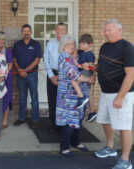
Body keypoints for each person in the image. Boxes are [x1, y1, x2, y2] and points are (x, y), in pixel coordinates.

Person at [94, 19, 134, 169]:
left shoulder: (127, 48)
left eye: (109, 30)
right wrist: (91, 67)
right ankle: (110, 148)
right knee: (105, 121)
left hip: (121, 94)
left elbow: (131, 75)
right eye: (105, 30)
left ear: (119, 30)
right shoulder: (104, 46)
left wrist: (120, 97)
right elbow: (101, 65)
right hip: (105, 93)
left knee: (124, 127)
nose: (106, 33)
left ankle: (125, 161)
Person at [56, 35, 95, 157]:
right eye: (69, 44)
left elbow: (84, 69)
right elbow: (74, 75)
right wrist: (88, 80)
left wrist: (91, 74)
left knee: (78, 119)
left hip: (78, 94)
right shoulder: (64, 58)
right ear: (63, 46)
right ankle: (64, 147)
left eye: (73, 44)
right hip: (67, 95)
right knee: (69, 121)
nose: (72, 46)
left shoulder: (73, 57)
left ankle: (76, 142)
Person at [12, 24, 41, 129]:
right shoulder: (17, 45)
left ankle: (35, 119)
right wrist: (19, 69)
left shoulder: (36, 44)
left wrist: (26, 69)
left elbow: (37, 59)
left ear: (31, 32)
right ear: (21, 33)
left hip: (32, 74)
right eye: (24, 31)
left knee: (34, 97)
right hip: (20, 75)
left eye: (28, 31)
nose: (26, 33)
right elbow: (14, 59)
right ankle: (21, 118)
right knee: (22, 98)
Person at [43, 22, 67, 133]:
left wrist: (62, 74)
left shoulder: (69, 43)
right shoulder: (50, 43)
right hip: (52, 74)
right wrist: (52, 76)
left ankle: (62, 124)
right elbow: (46, 60)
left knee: (63, 101)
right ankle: (54, 123)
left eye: (62, 29)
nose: (60, 31)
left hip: (65, 75)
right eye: (58, 29)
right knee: (52, 100)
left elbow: (72, 60)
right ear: (55, 30)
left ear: (65, 31)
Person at [0, 31, 13, 129]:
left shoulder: (8, 51)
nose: (1, 41)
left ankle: (5, 120)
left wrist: (4, 74)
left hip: (6, 79)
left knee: (6, 98)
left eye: (3, 39)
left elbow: (10, 64)